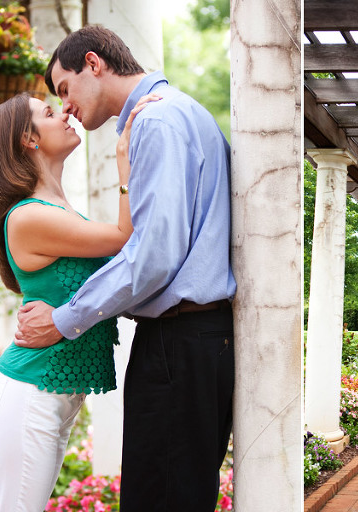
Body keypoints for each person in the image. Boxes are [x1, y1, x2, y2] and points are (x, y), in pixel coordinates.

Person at [13, 25, 236, 511]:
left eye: (65, 89)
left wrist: (63, 318)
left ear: (93, 63)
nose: (66, 106)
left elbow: (151, 258)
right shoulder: (173, 112)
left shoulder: (155, 121)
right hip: (192, 342)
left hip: (182, 342)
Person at [0, 91, 154, 511]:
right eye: (50, 113)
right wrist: (124, 156)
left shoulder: (57, 206)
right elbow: (124, 239)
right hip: (29, 392)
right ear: (28, 139)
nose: (66, 113)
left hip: (54, 395)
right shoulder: (29, 215)